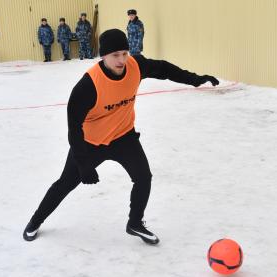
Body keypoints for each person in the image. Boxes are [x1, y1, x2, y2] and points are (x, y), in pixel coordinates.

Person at [23, 29, 219, 244]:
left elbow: (163, 68)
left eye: (125, 53)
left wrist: (195, 79)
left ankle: (135, 223)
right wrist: (83, 164)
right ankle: (35, 221)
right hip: (90, 143)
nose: (121, 60)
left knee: (143, 177)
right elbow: (74, 129)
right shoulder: (88, 86)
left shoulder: (135, 66)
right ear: (103, 56)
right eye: (115, 55)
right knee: (65, 184)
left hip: (123, 136)